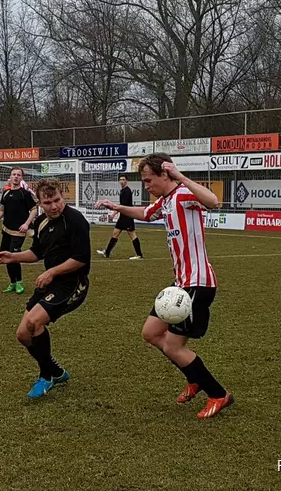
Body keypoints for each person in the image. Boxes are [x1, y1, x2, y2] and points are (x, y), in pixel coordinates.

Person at [96, 153, 233, 419]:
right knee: (150, 333)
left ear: (165, 174)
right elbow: (146, 214)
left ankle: (218, 394)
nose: (146, 186)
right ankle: (194, 378)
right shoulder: (166, 201)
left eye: (149, 180)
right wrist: (117, 207)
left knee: (173, 347)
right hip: (181, 283)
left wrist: (181, 176)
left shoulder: (182, 193)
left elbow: (213, 201)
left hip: (197, 283)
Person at [0, 178, 90, 399]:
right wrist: (13, 257)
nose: (54, 206)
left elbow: (82, 259)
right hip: (50, 282)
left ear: (62, 196)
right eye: (48, 202)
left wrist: (51, 272)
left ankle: (45, 376)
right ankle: (56, 372)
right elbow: (37, 253)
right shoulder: (40, 223)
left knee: (34, 322)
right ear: (39, 202)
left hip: (73, 283)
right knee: (22, 335)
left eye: (57, 200)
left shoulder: (75, 220)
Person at [0, 167, 38, 294]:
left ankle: (19, 282)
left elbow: (34, 210)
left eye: (18, 175)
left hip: (18, 232)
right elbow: (2, 209)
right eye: (14, 174)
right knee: (5, 255)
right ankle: (12, 282)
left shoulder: (24, 194)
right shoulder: (6, 192)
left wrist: (27, 224)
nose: (16, 176)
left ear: (22, 178)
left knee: (14, 256)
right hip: (6, 230)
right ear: (10, 177)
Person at [96, 175, 144, 260]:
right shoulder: (123, 191)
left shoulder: (127, 191)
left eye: (123, 179)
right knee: (115, 233)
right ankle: (107, 252)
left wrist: (114, 213)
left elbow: (122, 206)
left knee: (132, 234)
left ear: (126, 181)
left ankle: (139, 255)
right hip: (122, 216)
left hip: (128, 216)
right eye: (120, 179)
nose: (121, 181)